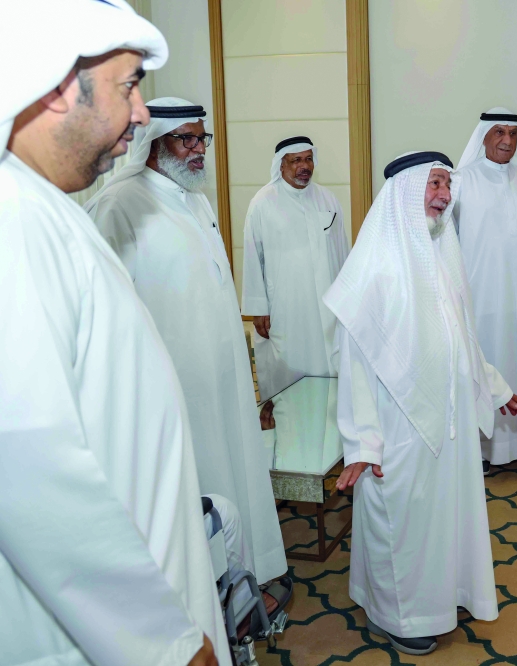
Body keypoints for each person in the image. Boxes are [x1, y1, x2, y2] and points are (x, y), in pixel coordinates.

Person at [0, 1, 227, 664]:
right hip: (115, 629)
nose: (140, 112)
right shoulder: (15, 222)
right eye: (128, 86)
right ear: (57, 86)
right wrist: (162, 643)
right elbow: (31, 468)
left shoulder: (43, 207)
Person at [326, 152, 517, 656]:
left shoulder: (441, 254)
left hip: (448, 421)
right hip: (398, 428)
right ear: (405, 193)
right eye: (434, 184)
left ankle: (441, 597)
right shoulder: (374, 267)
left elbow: (461, 338)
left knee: (443, 520)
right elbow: (353, 366)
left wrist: (494, 387)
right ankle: (398, 615)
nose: (443, 195)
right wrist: (362, 444)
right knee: (403, 522)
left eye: (446, 185)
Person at [86, 98, 287, 586]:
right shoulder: (119, 205)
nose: (199, 149)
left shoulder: (196, 198)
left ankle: (246, 576)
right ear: (153, 142)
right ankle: (212, 592)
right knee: (199, 477)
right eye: (186, 139)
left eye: (203, 138)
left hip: (222, 373)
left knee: (234, 464)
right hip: (173, 383)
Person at [454, 108, 517, 473]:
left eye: (513, 133)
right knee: (483, 363)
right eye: (499, 133)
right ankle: (481, 449)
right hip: (479, 297)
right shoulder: (461, 181)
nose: (507, 141)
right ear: (483, 137)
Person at [242, 136, 350, 400]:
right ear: (281, 165)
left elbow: (342, 251)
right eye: (296, 160)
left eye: (309, 159)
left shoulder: (328, 199)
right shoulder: (263, 203)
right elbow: (253, 257)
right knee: (288, 373)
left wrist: (347, 300)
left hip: (327, 306)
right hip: (285, 308)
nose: (305, 166)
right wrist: (258, 309)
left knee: (329, 371)